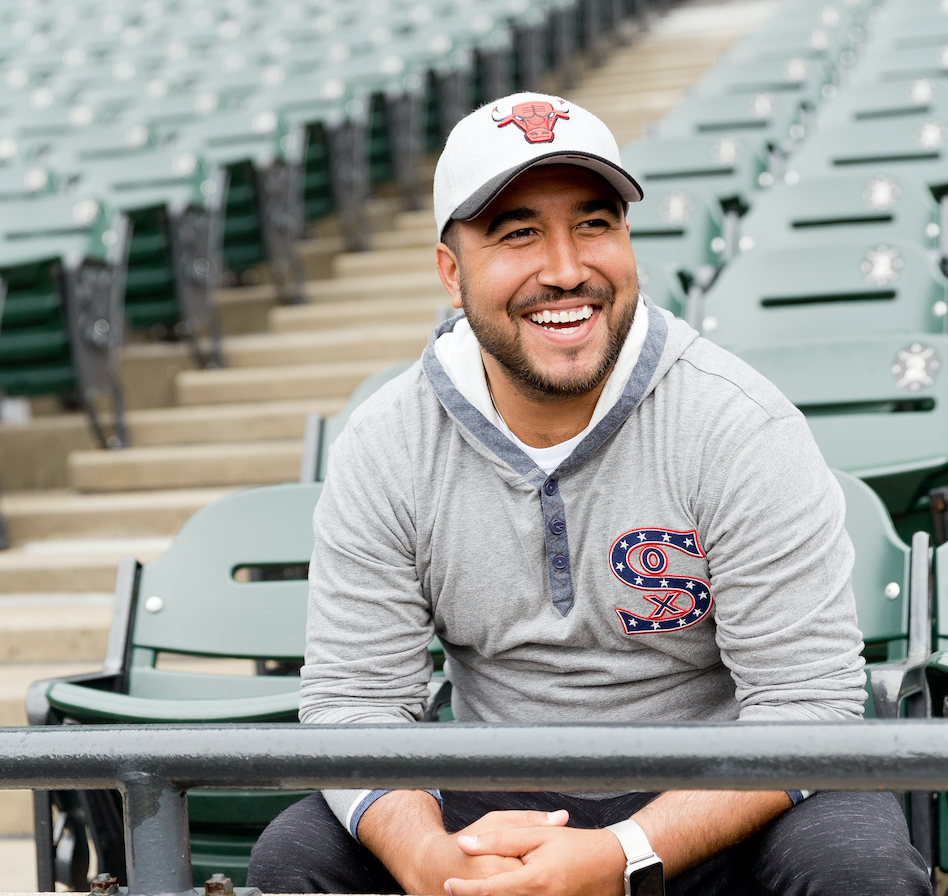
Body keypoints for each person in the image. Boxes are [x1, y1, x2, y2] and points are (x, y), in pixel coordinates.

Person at [248, 93, 931, 896]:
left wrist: (627, 853)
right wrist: (427, 858)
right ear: (450, 271)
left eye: (595, 224)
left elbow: (806, 703)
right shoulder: (386, 443)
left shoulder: (738, 421)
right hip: (495, 788)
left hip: (719, 788)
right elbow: (355, 702)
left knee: (860, 870)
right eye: (518, 234)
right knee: (296, 861)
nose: (567, 268)